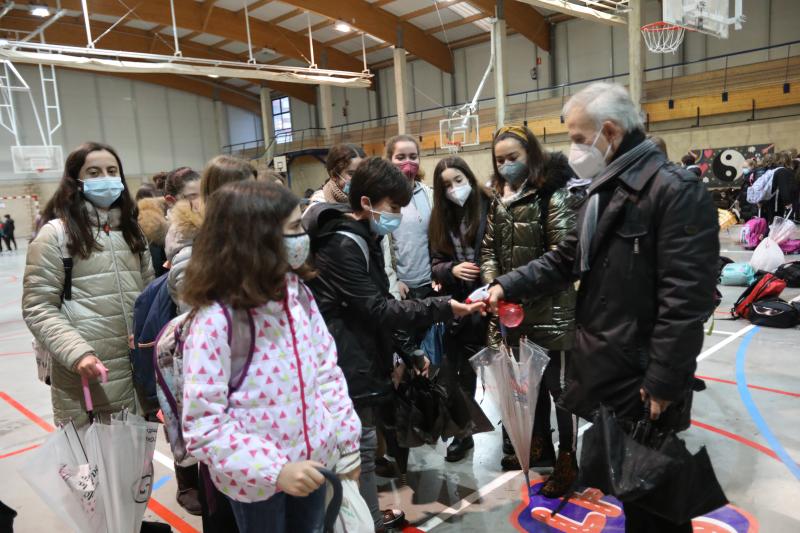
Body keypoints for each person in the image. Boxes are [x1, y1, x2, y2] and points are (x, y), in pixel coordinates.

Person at [486, 82, 719, 531]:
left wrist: (665, 381)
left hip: (646, 375)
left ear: (609, 132)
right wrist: (506, 285)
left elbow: (685, 299)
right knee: (632, 490)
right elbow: (565, 259)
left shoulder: (672, 190)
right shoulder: (604, 189)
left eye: (578, 138)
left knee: (655, 498)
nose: (573, 149)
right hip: (613, 365)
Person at [305, 157, 485, 532]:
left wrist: (410, 351)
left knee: (365, 447)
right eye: (394, 207)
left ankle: (365, 517)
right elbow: (376, 307)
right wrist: (441, 308)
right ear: (367, 201)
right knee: (360, 448)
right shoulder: (343, 244)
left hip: (363, 352)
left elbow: (378, 301)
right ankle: (365, 521)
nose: (399, 216)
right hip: (347, 359)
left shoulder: (364, 236)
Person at [180, 180, 361, 533]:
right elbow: (203, 426)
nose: (302, 236)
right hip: (256, 482)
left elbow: (327, 373)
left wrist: (347, 441)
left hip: (313, 467)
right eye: (293, 228)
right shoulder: (218, 320)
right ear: (255, 239)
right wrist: (275, 471)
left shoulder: (299, 296)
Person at [22, 142, 154, 427]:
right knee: (97, 466)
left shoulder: (133, 233)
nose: (105, 178)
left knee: (136, 467)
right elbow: (38, 307)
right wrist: (77, 352)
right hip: (88, 375)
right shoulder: (55, 235)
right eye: (93, 172)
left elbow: (149, 296)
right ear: (76, 181)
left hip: (137, 374)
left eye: (111, 170)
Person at [480, 125, 579, 496]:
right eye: (500, 160)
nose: (506, 165)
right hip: (510, 312)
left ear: (531, 156)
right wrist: (493, 286)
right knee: (527, 385)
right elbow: (488, 250)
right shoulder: (497, 199)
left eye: (513, 158)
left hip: (551, 311)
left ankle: (568, 460)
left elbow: (560, 258)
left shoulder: (550, 196)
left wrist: (515, 293)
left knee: (561, 391)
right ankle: (541, 446)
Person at [162, 154, 255, 530]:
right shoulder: (193, 260)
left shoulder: (256, 246)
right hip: (226, 404)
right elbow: (207, 346)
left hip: (260, 404)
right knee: (229, 507)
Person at [429, 156, 492, 462]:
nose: (454, 189)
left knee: (502, 374)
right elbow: (436, 262)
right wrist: (450, 270)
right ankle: (463, 434)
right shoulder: (440, 217)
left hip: (493, 300)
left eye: (458, 180)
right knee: (459, 376)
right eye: (446, 185)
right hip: (460, 308)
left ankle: (513, 437)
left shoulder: (490, 205)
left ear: (468, 176)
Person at [304, 143, 401, 300]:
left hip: (372, 299)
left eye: (362, 174)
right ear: (334, 175)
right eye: (351, 174)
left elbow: (385, 263)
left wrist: (393, 297)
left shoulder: (370, 206)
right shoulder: (318, 211)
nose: (358, 181)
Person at [166, 155, 255, 312]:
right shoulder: (190, 257)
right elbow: (196, 324)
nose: (255, 203)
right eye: (245, 195)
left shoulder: (252, 242)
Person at [385, 134, 434, 301]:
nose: (408, 162)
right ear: (390, 161)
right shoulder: (383, 200)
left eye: (413, 157)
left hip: (431, 284)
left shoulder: (429, 195)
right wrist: (394, 281)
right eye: (400, 157)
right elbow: (382, 249)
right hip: (402, 288)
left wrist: (439, 273)